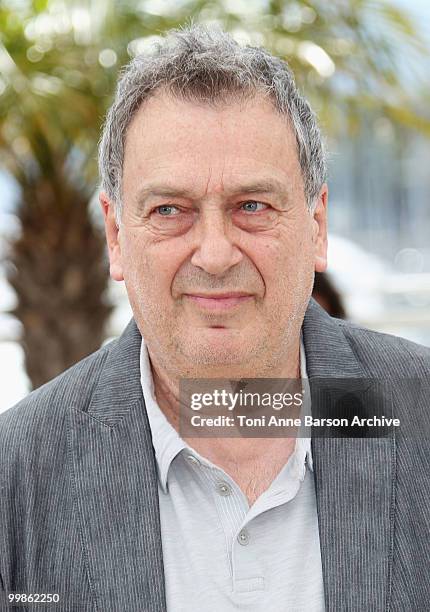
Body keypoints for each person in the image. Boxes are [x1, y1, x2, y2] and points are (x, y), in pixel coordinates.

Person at [1, 24, 429, 612]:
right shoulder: (16, 473)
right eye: (170, 210)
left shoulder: (421, 416)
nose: (215, 254)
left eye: (251, 206)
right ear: (118, 237)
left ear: (317, 226)